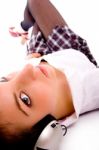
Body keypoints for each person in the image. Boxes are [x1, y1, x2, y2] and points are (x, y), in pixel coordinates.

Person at [0, 0, 99, 149]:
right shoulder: (94, 88)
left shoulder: (33, 67)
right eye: (25, 99)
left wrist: (34, 59)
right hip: (75, 51)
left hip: (48, 54)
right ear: (47, 133)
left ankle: (23, 27)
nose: (26, 70)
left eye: (5, 80)